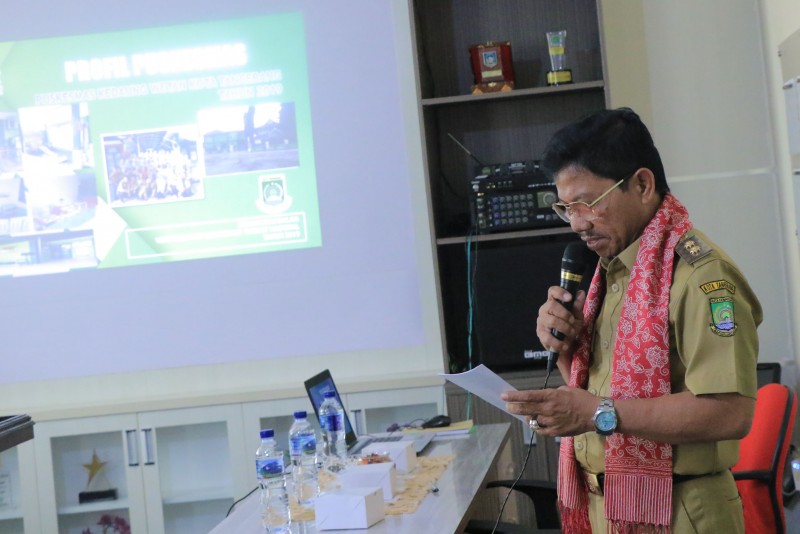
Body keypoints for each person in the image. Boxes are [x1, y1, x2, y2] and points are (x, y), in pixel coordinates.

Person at [502, 107, 762, 533]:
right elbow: (603, 394)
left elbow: (730, 413)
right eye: (565, 208)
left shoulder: (700, 276)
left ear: (642, 185)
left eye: (588, 203)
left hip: (682, 511)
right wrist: (566, 349)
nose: (577, 224)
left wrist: (596, 413)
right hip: (608, 507)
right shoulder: (613, 271)